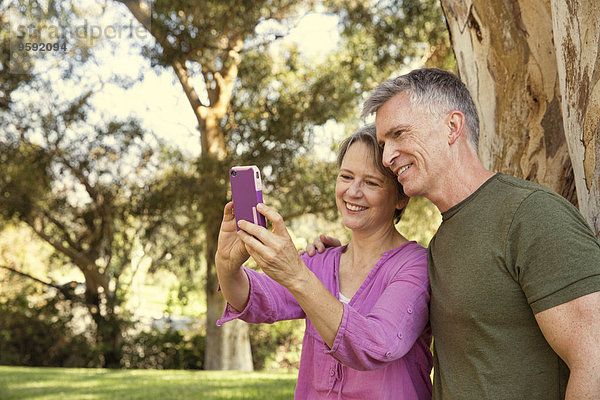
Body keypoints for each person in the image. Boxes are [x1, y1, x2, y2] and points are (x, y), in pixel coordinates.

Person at [307, 68, 600, 399]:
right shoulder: (440, 243)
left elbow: (594, 360)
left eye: (399, 134)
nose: (387, 157)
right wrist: (342, 257)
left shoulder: (530, 215)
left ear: (452, 127)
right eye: (384, 143)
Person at [215, 124, 433, 399]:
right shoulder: (321, 261)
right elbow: (254, 300)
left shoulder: (416, 266)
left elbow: (378, 345)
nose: (353, 192)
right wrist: (226, 263)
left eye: (371, 182)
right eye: (346, 176)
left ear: (401, 197)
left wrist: (297, 275)